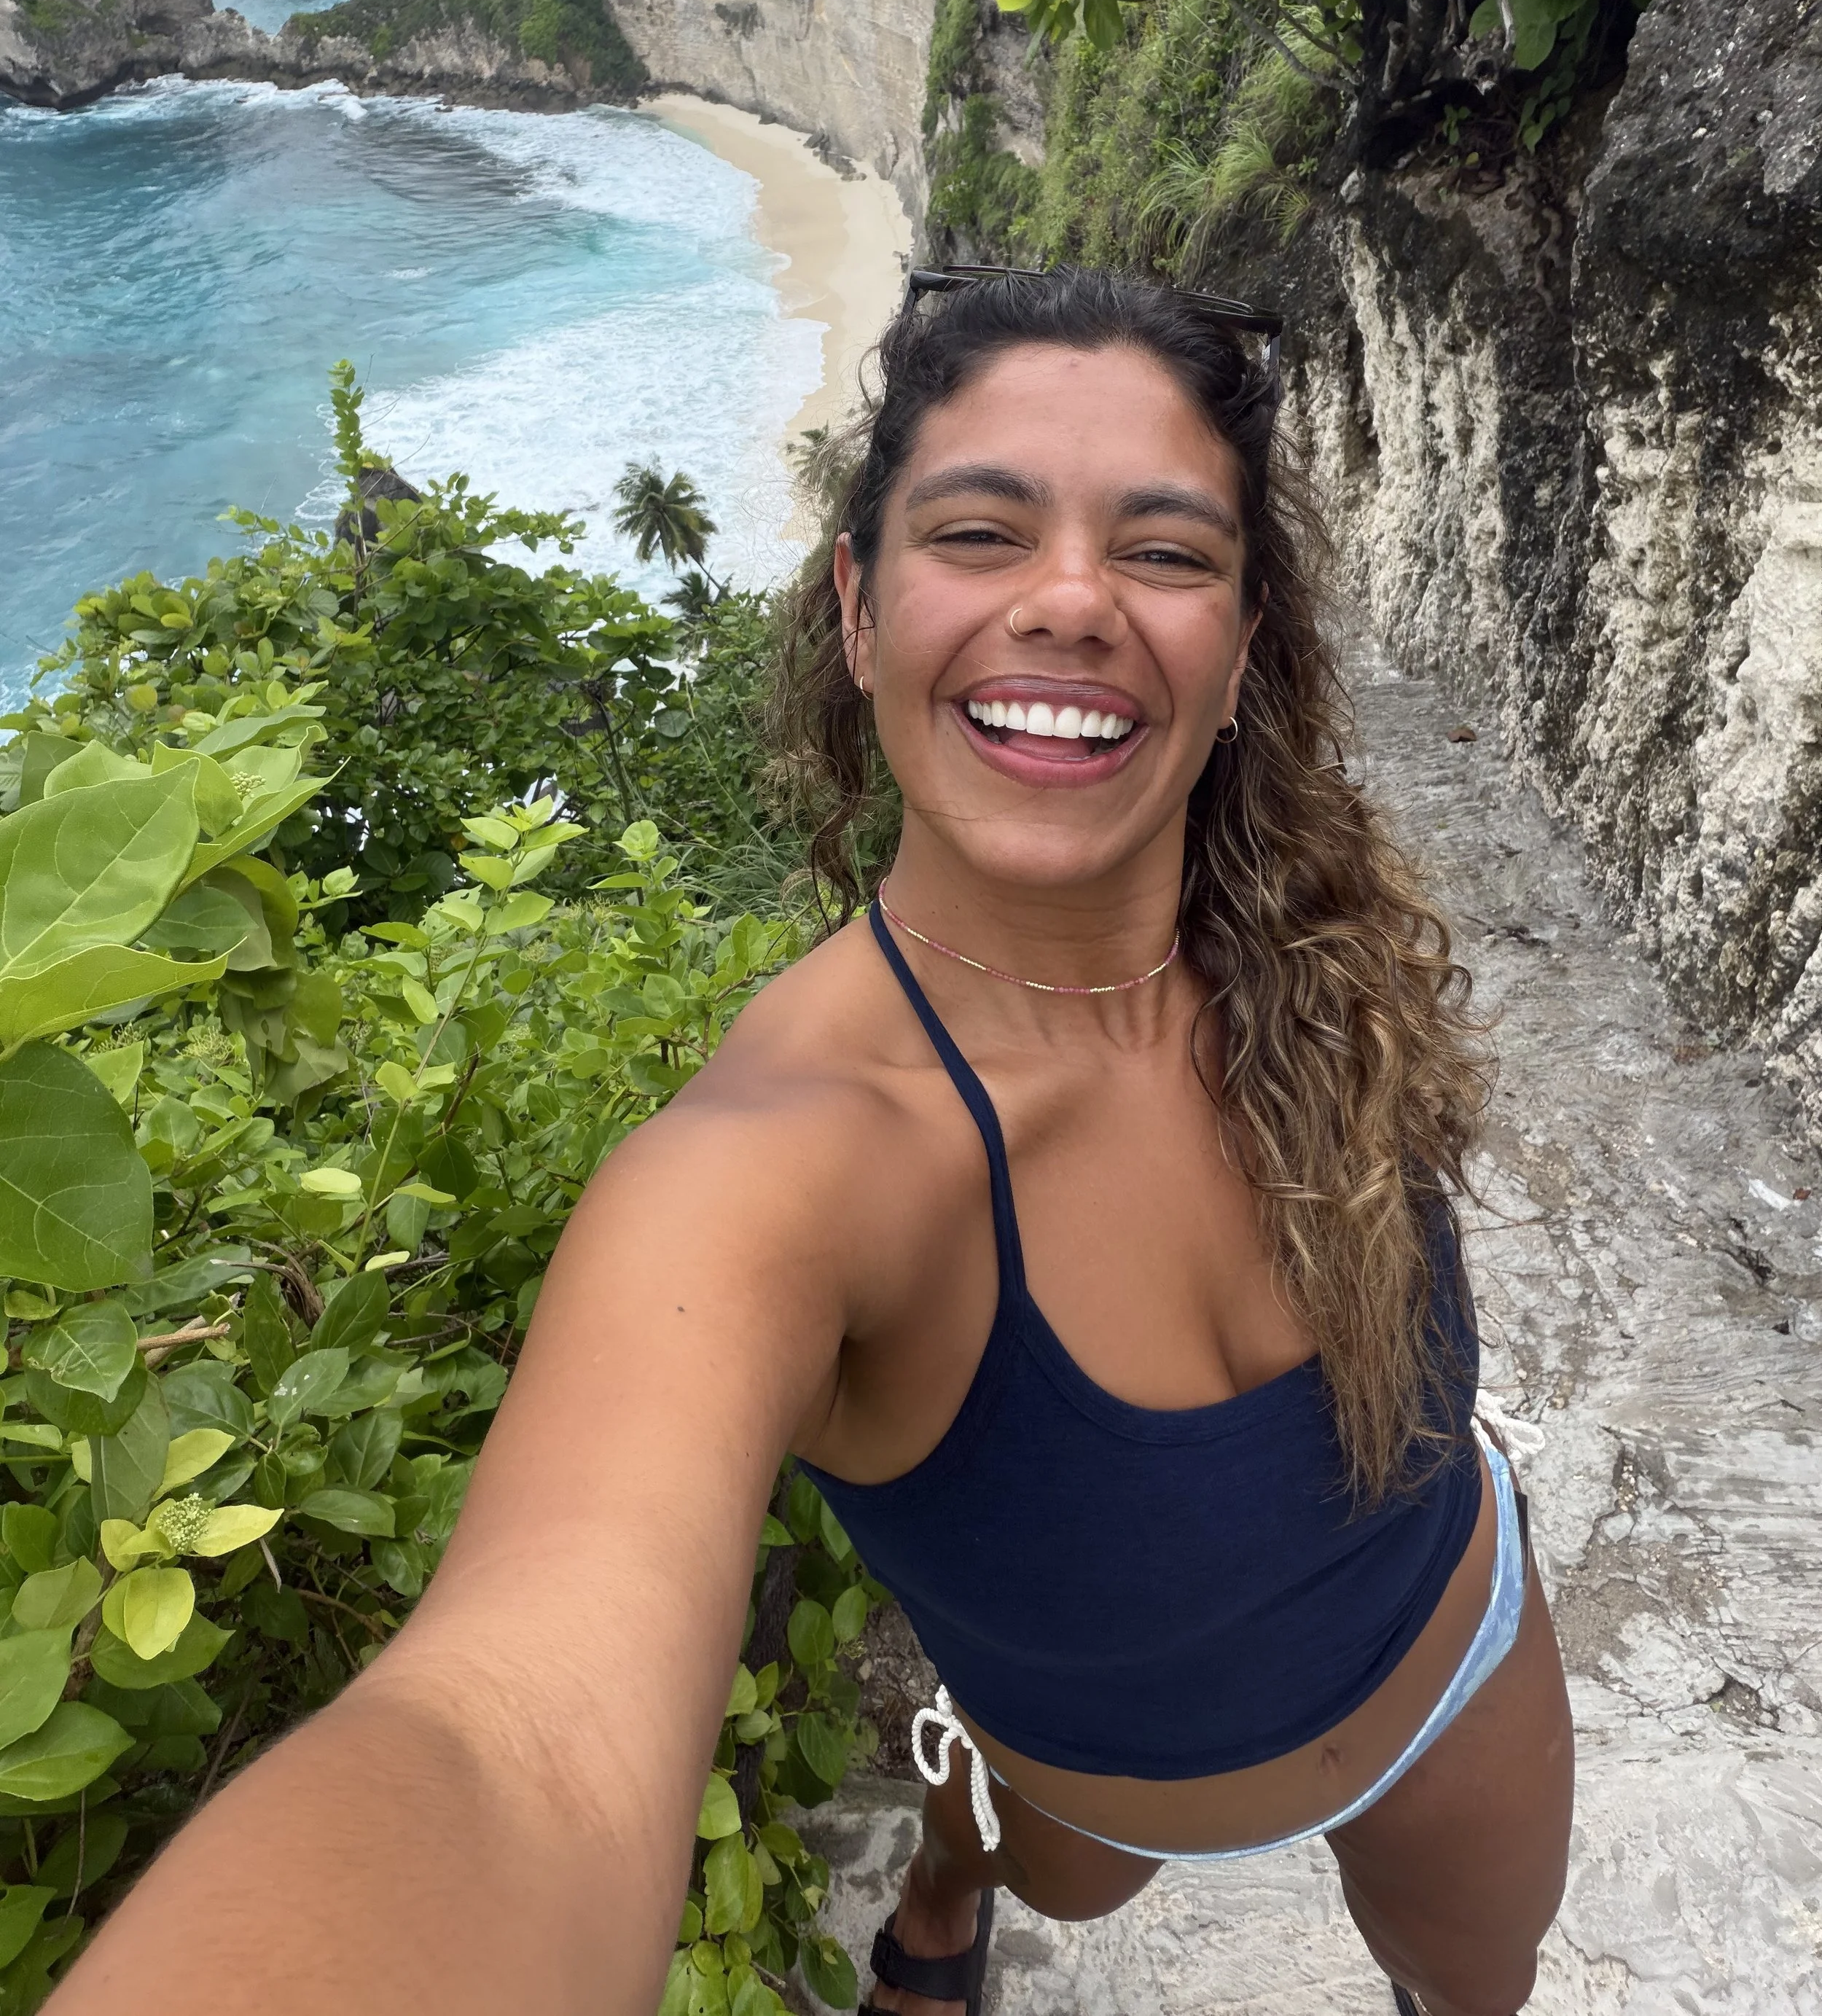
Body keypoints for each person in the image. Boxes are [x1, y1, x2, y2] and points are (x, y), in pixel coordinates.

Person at [50, 267, 1573, 2016]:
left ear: (1239, 649)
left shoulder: (1314, 939)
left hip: (1457, 1653)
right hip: (1085, 1776)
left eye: (1163, 552)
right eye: (980, 533)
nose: (1071, 598)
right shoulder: (776, 1169)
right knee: (1021, 1855)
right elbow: (511, 1739)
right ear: (858, 611)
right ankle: (942, 1878)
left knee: (1478, 1987)